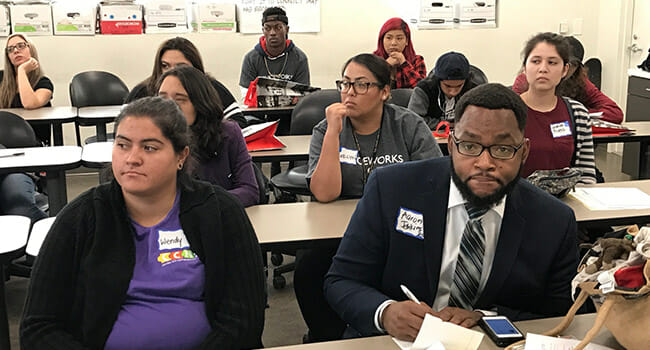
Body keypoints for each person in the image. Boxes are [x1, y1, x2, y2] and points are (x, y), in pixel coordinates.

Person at [324, 83, 579, 341]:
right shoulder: (392, 189)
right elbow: (341, 281)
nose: (484, 163)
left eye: (502, 149)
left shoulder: (554, 221)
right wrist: (385, 312)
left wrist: (487, 316)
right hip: (395, 342)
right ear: (451, 144)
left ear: (524, 152)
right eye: (469, 145)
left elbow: (559, 313)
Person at [20, 97, 266, 350]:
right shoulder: (81, 217)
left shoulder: (221, 212)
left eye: (149, 148)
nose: (132, 158)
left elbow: (243, 320)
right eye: (123, 145)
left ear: (181, 156)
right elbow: (38, 327)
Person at [295, 53, 442, 342]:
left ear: (384, 92)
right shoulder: (326, 129)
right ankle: (332, 337)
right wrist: (333, 133)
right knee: (309, 268)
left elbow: (434, 183)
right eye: (346, 84)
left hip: (398, 224)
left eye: (361, 85)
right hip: (338, 228)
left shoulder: (408, 126)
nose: (350, 92)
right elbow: (325, 194)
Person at [157, 65, 259, 207]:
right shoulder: (151, 140)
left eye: (180, 99)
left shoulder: (228, 132)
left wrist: (206, 203)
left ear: (199, 103)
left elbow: (249, 192)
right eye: (162, 98)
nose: (169, 106)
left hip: (218, 219)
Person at [518, 32, 596, 184]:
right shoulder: (506, 111)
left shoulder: (577, 113)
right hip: (515, 202)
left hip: (564, 201)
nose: (543, 69)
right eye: (535, 61)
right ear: (524, 68)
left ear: (565, 70)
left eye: (552, 62)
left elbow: (586, 175)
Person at [124, 37, 246, 128]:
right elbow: (122, 129)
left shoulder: (212, 88)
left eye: (181, 67)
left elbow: (239, 123)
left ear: (195, 67)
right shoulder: (141, 93)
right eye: (165, 66)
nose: (172, 72)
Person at [512, 36, 623, 124]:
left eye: (573, 65)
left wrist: (575, 115)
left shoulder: (580, 81)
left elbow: (615, 113)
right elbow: (511, 114)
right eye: (553, 62)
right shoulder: (526, 79)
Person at [239, 7, 310, 98]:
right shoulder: (251, 58)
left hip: (291, 111)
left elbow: (303, 94)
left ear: (287, 30)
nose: (272, 33)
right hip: (258, 111)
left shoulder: (299, 58)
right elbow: (246, 95)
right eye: (267, 28)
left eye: (278, 28)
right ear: (263, 31)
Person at [0, 33, 53, 145]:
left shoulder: (43, 83)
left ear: (31, 49)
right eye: (10, 49)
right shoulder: (1, 79)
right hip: (3, 139)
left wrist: (22, 71)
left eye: (21, 46)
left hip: (33, 140)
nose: (15, 51)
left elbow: (29, 104)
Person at [408, 51, 478, 129]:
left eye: (459, 86)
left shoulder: (473, 90)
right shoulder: (424, 89)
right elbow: (413, 120)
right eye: (448, 86)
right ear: (438, 81)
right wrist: (446, 124)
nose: (453, 92)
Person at [373, 17, 426, 89]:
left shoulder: (417, 60)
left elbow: (423, 89)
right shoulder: (373, 60)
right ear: (382, 40)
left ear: (407, 41)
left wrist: (404, 64)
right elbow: (370, 89)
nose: (393, 43)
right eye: (389, 38)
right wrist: (385, 66)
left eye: (399, 38)